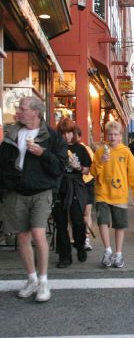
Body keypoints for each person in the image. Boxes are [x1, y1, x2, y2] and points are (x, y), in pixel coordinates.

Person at [0, 96, 67, 302]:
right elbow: (3, 162)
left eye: (22, 108)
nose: (18, 111)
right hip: (17, 190)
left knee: (38, 233)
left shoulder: (52, 136)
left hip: (41, 191)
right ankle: (31, 279)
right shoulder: (12, 133)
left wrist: (43, 153)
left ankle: (44, 282)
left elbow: (59, 166)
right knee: (22, 237)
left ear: (35, 112)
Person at [91, 121, 134, 268]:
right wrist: (101, 161)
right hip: (102, 192)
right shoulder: (100, 151)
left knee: (119, 225)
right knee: (102, 221)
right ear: (106, 135)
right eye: (110, 134)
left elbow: (132, 174)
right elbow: (93, 172)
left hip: (119, 194)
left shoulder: (126, 152)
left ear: (120, 137)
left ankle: (118, 254)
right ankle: (107, 251)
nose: (112, 137)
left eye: (116, 134)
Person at [54, 118, 92, 268]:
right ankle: (65, 256)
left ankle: (80, 244)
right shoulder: (55, 148)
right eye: (63, 133)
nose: (66, 136)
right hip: (59, 187)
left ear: (74, 133)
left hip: (75, 185)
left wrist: (78, 167)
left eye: (69, 132)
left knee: (77, 220)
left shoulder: (80, 148)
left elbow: (88, 169)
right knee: (60, 223)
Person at [77, 126, 95, 251]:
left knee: (87, 212)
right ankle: (75, 237)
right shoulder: (65, 148)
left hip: (87, 182)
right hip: (73, 183)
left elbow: (92, 167)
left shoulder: (86, 149)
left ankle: (86, 238)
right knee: (73, 212)